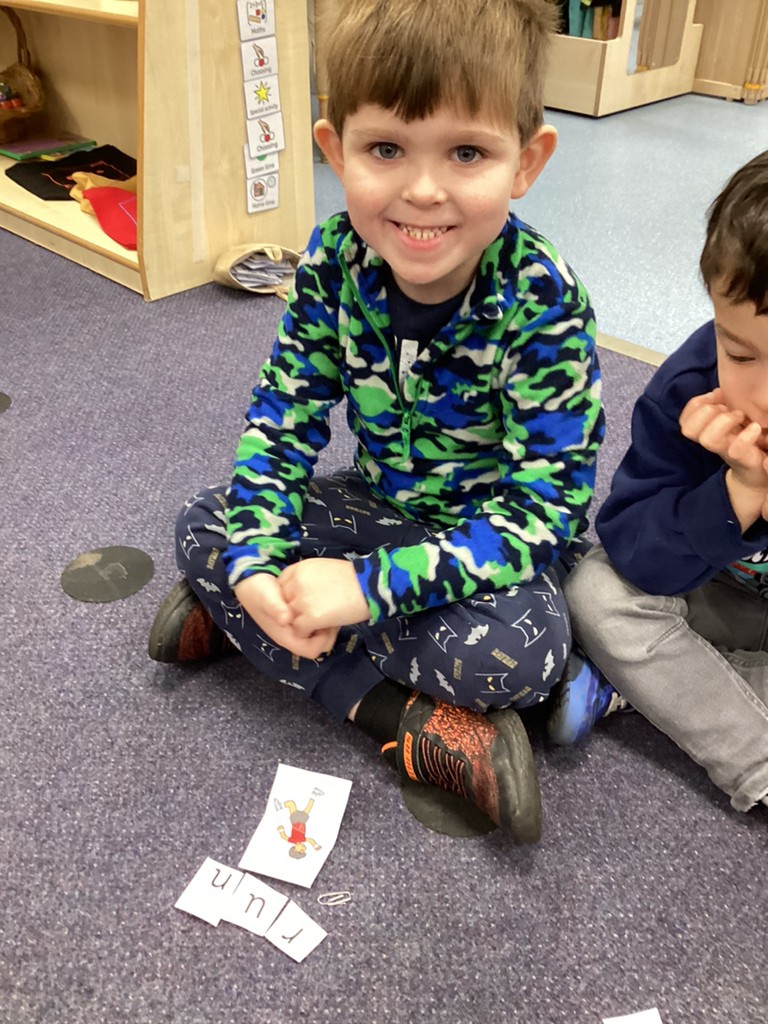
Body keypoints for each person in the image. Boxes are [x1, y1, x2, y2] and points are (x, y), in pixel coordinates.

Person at [148, 0, 604, 843]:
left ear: (527, 161)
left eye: (466, 152)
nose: (422, 190)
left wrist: (366, 589)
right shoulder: (331, 260)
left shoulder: (541, 298)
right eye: (386, 149)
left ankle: (267, 634)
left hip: (486, 545)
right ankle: (398, 715)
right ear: (336, 151)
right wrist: (255, 557)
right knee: (205, 524)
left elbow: (546, 513)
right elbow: (282, 420)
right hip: (374, 502)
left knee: (526, 651)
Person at [549, 150, 768, 815]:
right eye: (740, 354)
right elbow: (636, 555)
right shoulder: (687, 387)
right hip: (701, 593)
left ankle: (645, 688)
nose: (762, 396)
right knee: (595, 593)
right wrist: (740, 492)